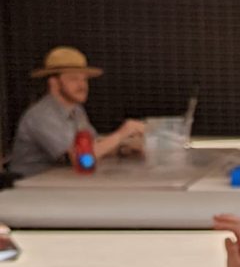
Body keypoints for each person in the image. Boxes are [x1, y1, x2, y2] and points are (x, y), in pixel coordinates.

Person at [7, 46, 146, 179]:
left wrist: (125, 148)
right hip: (29, 192)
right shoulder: (41, 115)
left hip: (58, 184)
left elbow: (93, 145)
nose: (82, 85)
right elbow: (81, 158)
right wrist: (122, 133)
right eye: (74, 79)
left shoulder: (77, 110)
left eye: (84, 79)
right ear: (54, 83)